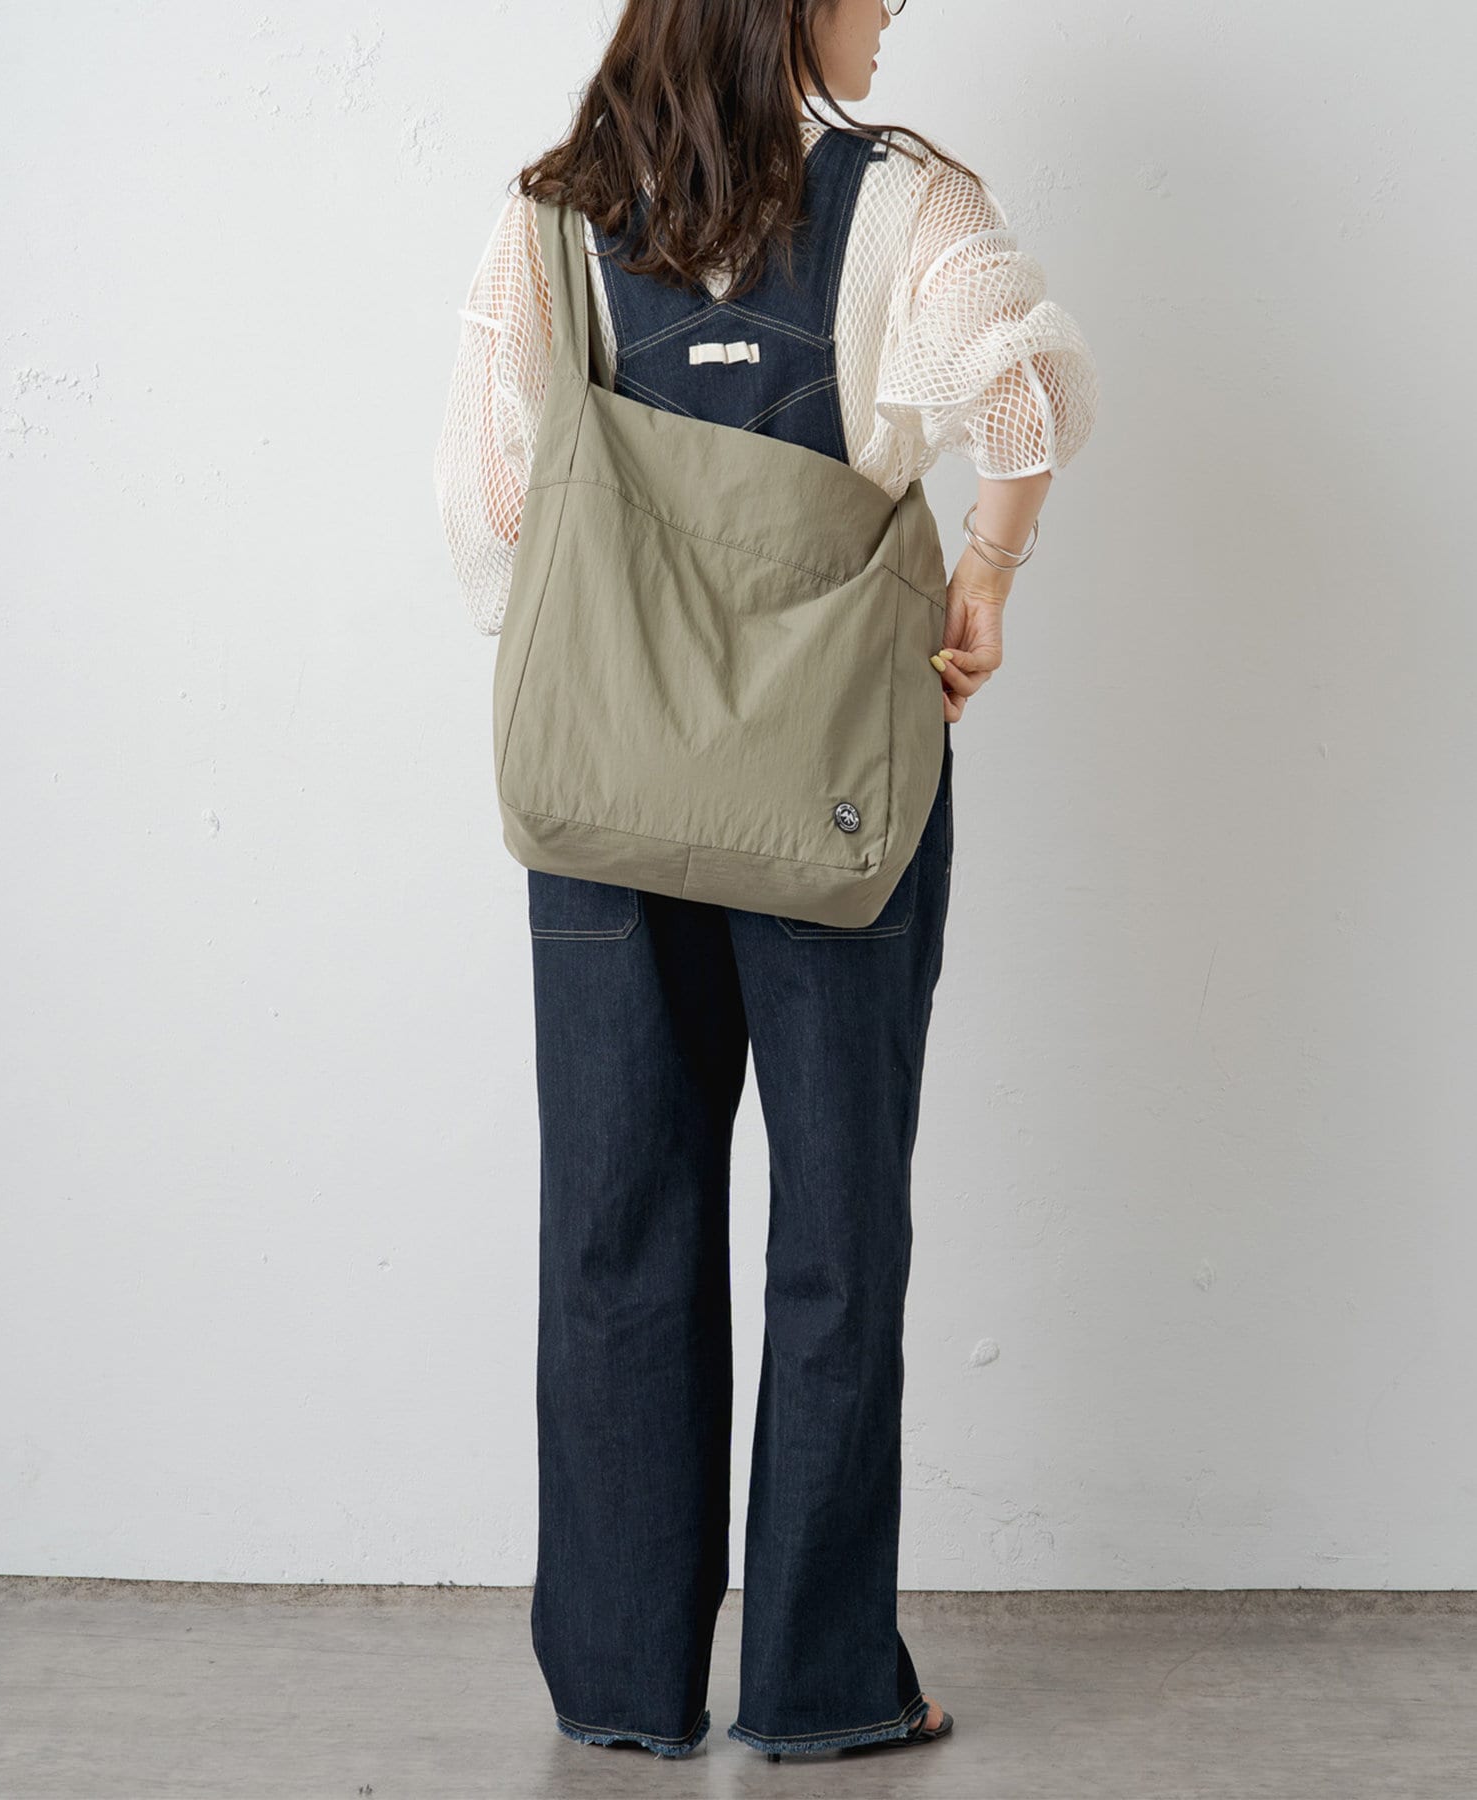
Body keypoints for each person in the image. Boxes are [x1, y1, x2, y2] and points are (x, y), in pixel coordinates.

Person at [433, 0, 1098, 1764]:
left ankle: (620, 1683)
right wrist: (984, 580)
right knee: (837, 1239)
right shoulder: (906, 205)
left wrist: (647, 661)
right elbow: (1026, 402)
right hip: (837, 794)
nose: (894, 6)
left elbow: (488, 516)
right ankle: (821, 1687)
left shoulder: (554, 218)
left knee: (615, 1228)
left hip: (604, 801)